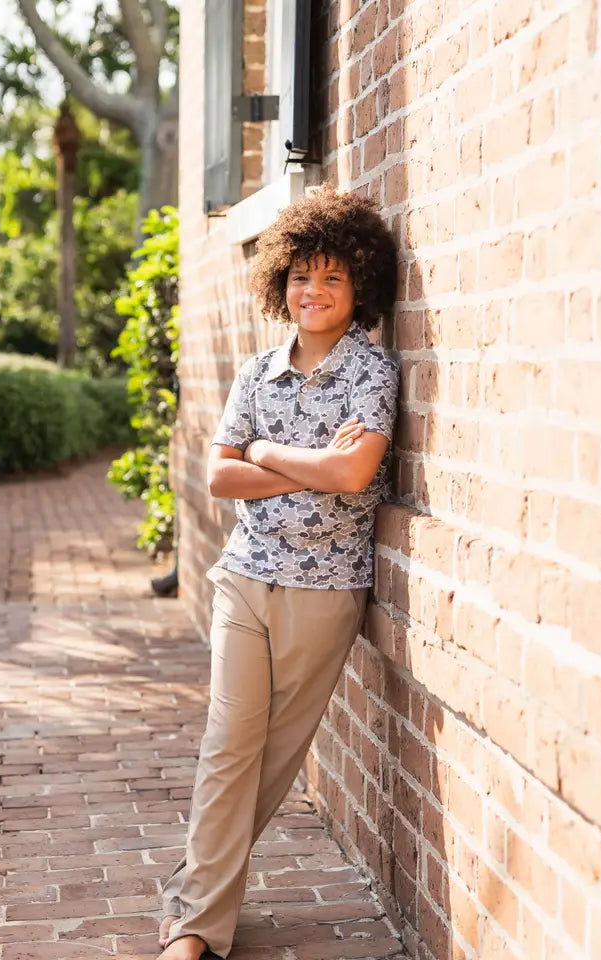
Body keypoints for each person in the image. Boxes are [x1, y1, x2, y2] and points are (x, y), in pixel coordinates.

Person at [156, 184, 400, 960]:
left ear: (358, 285)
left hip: (325, 592)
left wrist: (263, 453)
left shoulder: (373, 371)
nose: (313, 291)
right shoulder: (257, 373)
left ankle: (194, 892)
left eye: (331, 278)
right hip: (245, 576)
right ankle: (195, 926)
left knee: (273, 759)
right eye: (300, 275)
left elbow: (355, 475)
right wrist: (303, 464)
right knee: (229, 745)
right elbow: (219, 477)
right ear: (279, 282)